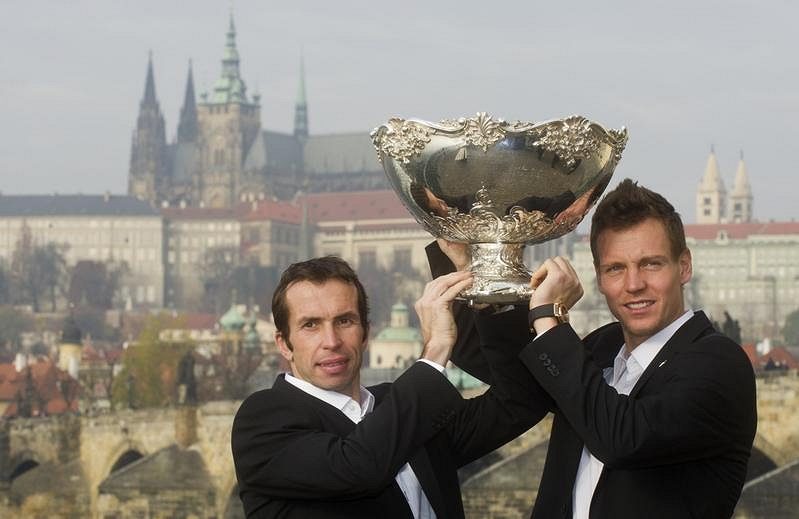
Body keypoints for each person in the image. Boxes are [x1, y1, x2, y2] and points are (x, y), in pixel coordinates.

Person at [433, 178, 757, 518]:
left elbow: (622, 439)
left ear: (684, 266)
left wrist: (548, 316)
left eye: (651, 264)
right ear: (599, 279)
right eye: (615, 268)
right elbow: (509, 373)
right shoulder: (603, 347)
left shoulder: (718, 363)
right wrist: (478, 270)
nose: (634, 285)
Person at [231, 255, 543, 518]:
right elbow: (358, 466)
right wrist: (434, 351)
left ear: (366, 332)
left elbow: (518, 402)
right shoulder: (262, 419)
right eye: (310, 325)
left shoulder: (401, 406)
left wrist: (491, 297)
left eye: (345, 321)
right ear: (284, 344)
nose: (331, 342)